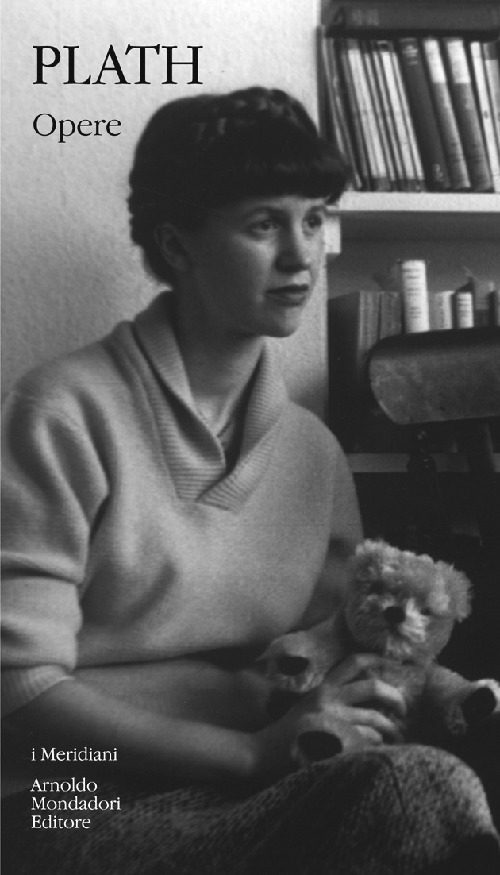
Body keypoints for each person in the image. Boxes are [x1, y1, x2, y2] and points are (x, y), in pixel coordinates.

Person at [1, 87, 499, 874]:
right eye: (264, 224)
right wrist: (248, 741)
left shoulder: (313, 453)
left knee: (431, 781)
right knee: (415, 794)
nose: (303, 255)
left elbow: (318, 660)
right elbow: (20, 690)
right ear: (178, 244)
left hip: (251, 784)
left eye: (315, 219)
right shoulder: (60, 411)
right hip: (67, 795)